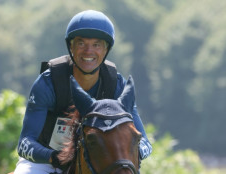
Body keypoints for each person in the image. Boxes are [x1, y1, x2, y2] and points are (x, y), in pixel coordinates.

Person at [14, 10, 152, 174]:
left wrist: (128, 157)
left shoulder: (116, 85)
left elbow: (144, 142)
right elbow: (24, 143)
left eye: (96, 45)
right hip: (46, 161)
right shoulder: (48, 83)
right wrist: (54, 157)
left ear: (106, 49)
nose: (88, 51)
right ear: (71, 47)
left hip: (100, 161)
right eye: (81, 43)